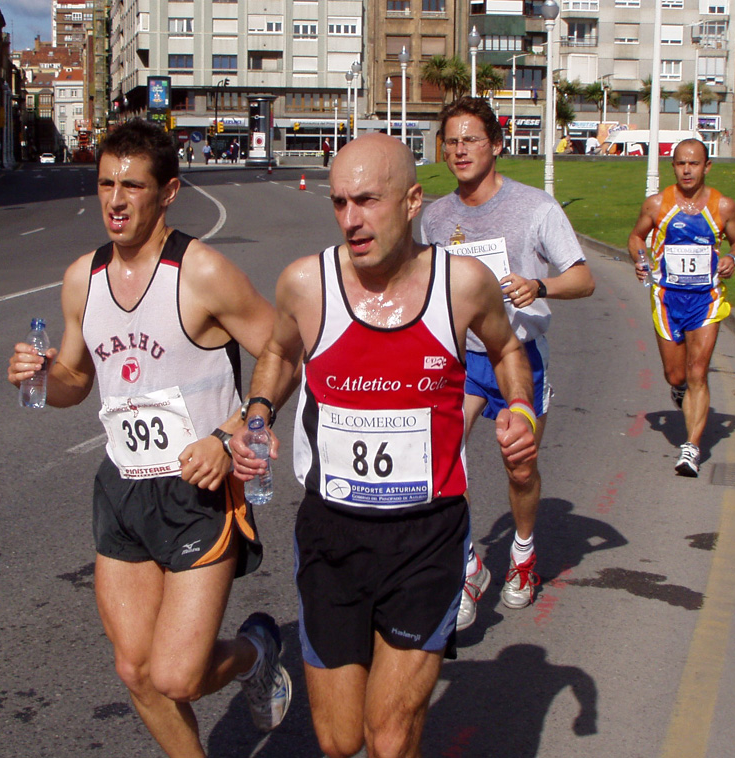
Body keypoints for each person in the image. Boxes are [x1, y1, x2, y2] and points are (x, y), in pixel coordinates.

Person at [230, 133, 537, 758]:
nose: (351, 219)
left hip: (427, 536)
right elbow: (281, 351)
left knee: (390, 737)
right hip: (332, 534)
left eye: (367, 201)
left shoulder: (464, 285)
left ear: (413, 201)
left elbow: (507, 349)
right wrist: (257, 412)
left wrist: (522, 411)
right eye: (340, 203)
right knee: (341, 742)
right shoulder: (306, 284)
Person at [6, 119, 291, 757]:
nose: (115, 200)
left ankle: (253, 653)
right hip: (123, 491)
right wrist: (41, 374)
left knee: (177, 675)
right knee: (136, 671)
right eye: (106, 183)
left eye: (132, 186)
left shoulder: (202, 272)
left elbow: (284, 351)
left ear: (168, 193)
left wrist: (233, 430)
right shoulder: (84, 276)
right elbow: (77, 381)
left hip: (198, 490)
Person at [420, 96, 595, 632]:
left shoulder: (536, 208)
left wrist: (538, 285)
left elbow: (582, 278)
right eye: (451, 141)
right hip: (460, 360)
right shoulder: (434, 217)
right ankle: (468, 563)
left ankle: (522, 553)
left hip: (518, 358)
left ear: (496, 144)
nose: (460, 149)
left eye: (471, 138)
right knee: (435, 459)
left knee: (518, 464)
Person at [628, 138, 735, 477]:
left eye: (694, 163)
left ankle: (691, 448)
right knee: (677, 374)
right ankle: (679, 391)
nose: (687, 170)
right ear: (673, 166)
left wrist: (731, 257)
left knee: (698, 371)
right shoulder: (656, 205)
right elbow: (637, 237)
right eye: (681, 163)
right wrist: (641, 260)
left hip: (706, 300)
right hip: (667, 299)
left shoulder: (723, 206)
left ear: (707, 167)